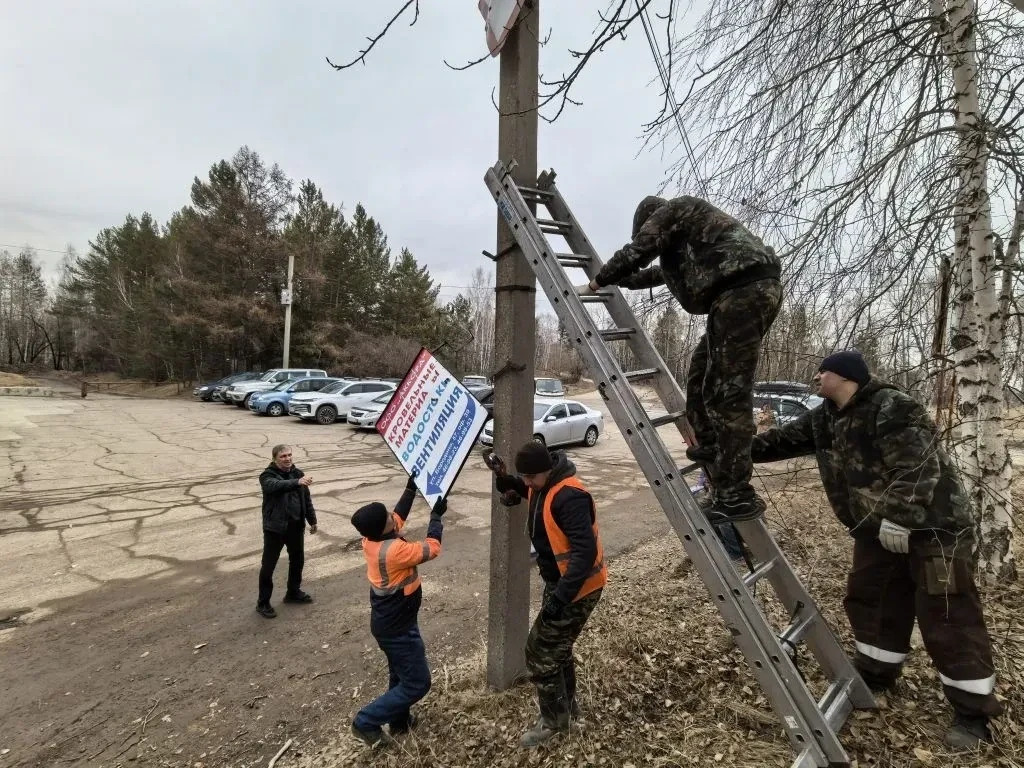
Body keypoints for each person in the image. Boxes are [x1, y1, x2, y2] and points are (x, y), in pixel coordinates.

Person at [750, 350, 1003, 748]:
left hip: (935, 528)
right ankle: (877, 673)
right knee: (873, 597)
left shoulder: (893, 407)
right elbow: (781, 442)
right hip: (877, 531)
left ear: (846, 375)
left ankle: (973, 712)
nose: (816, 378)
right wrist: (729, 452)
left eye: (824, 372)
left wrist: (901, 517)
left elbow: (918, 466)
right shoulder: (826, 417)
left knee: (948, 612)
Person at [577, 195, 782, 522]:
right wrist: (616, 278)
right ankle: (713, 451)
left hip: (744, 290)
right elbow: (647, 275)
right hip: (734, 297)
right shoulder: (690, 249)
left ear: (654, 218)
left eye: (650, 229)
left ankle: (736, 494)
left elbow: (639, 252)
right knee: (699, 381)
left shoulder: (679, 209)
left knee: (727, 394)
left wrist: (596, 282)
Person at [494, 441, 606, 748]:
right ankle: (568, 711)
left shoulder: (569, 497)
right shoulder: (546, 484)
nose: (527, 484)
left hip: (577, 587)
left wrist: (562, 597)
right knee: (557, 649)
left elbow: (585, 553)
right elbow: (527, 489)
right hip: (561, 584)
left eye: (530, 478)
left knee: (539, 652)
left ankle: (554, 722)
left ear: (546, 470)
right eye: (524, 478)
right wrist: (505, 480)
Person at [349, 475, 447, 747]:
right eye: (389, 518)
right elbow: (432, 548)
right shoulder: (394, 551)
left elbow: (397, 516)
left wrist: (409, 488)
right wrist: (436, 517)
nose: (394, 517)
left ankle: (399, 722)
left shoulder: (372, 540)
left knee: (400, 673)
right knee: (418, 683)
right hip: (398, 628)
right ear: (384, 528)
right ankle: (365, 721)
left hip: (390, 623)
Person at [257, 444, 317, 618]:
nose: (288, 458)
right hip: (275, 529)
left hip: (296, 526)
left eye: (289, 455)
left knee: (297, 561)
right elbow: (275, 486)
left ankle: (293, 593)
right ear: (275, 458)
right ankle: (262, 603)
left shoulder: (298, 473)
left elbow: (306, 499)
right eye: (283, 456)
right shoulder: (267, 476)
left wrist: (312, 520)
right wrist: (297, 482)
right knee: (268, 566)